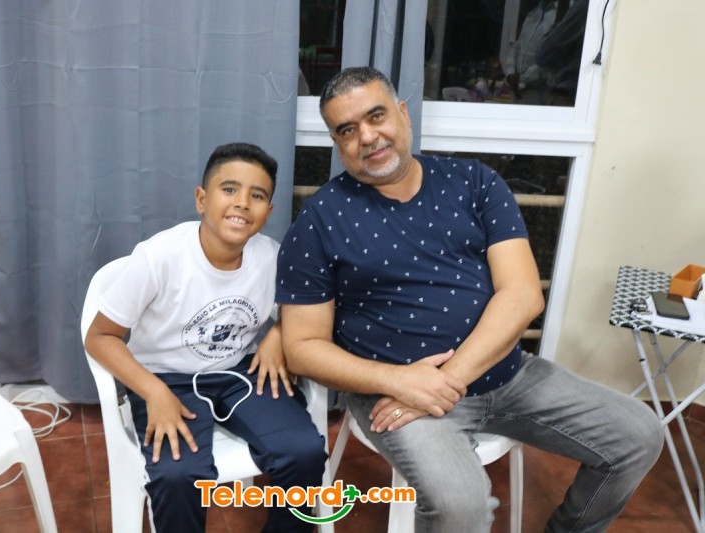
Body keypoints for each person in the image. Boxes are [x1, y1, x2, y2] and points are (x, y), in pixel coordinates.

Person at [276, 67, 663, 532]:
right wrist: (400, 381)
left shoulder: (475, 182)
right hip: (393, 389)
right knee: (461, 506)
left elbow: (523, 296)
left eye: (377, 116)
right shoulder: (320, 218)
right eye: (347, 129)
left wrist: (446, 381)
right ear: (337, 143)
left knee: (638, 434)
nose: (367, 136)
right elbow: (302, 347)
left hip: (508, 375)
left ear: (403, 113)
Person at [85, 142, 326, 532]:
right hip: (165, 379)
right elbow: (100, 337)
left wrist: (278, 333)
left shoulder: (272, 257)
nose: (242, 202)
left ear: (268, 212)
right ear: (201, 199)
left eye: (257, 195)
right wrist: (153, 392)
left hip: (238, 372)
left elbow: (301, 312)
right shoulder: (158, 256)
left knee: (303, 451)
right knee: (178, 476)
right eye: (229, 189)